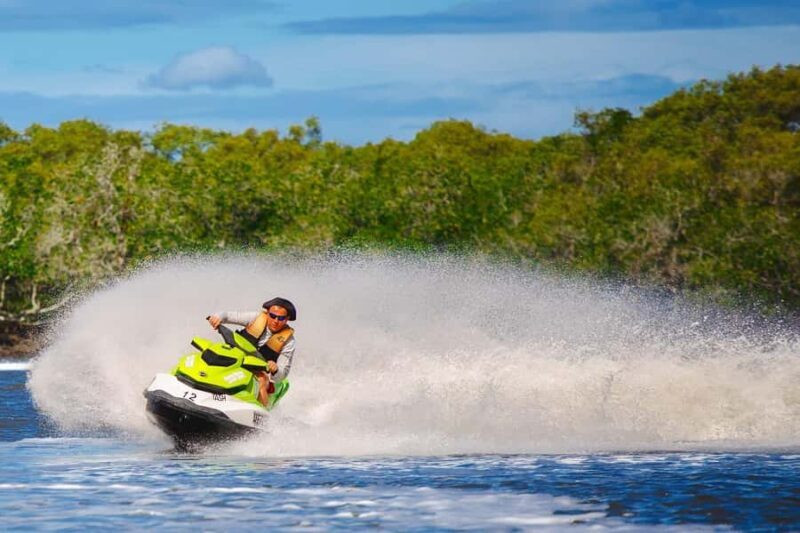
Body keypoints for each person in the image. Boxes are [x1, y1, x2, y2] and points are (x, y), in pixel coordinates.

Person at [207, 297, 297, 406]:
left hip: (260, 370)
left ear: (287, 319)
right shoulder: (255, 318)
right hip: (237, 358)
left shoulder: (289, 342)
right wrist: (217, 317)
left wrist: (275, 369)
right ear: (267, 313)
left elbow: (283, 373)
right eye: (273, 316)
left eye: (281, 318)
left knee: (261, 380)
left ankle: (262, 413)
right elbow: (226, 315)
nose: (276, 321)